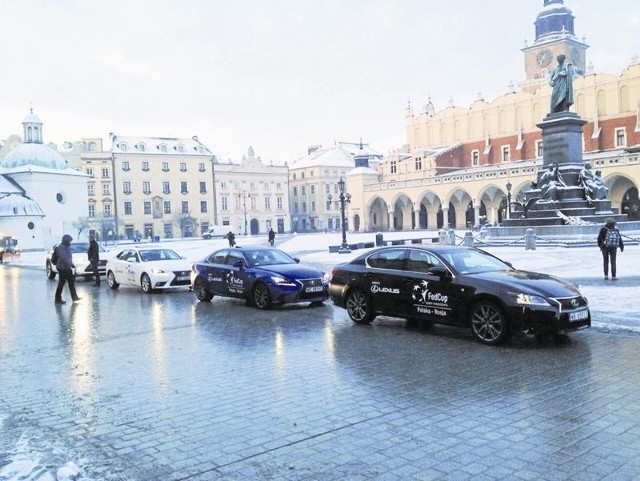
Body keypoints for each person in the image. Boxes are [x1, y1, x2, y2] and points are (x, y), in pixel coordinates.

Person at [54, 234, 81, 304]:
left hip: (67, 267)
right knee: (62, 284)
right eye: (69, 241)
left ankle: (74, 297)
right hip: (62, 268)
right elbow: (64, 258)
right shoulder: (61, 248)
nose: (70, 243)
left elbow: (68, 257)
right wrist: (70, 264)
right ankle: (58, 299)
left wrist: (71, 264)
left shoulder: (67, 247)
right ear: (65, 241)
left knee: (70, 283)